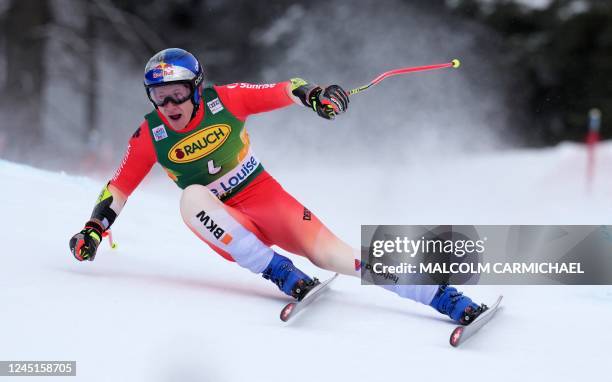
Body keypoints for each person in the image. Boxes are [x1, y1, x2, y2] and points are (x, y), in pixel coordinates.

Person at [69, 48, 485, 325]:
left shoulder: (224, 101)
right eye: (161, 98)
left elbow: (284, 89)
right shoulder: (151, 134)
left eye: (178, 94)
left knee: (336, 255)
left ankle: (442, 298)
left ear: (196, 88)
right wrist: (94, 228)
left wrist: (316, 95)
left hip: (264, 195)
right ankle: (283, 275)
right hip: (223, 218)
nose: (171, 107)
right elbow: (118, 188)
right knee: (191, 197)